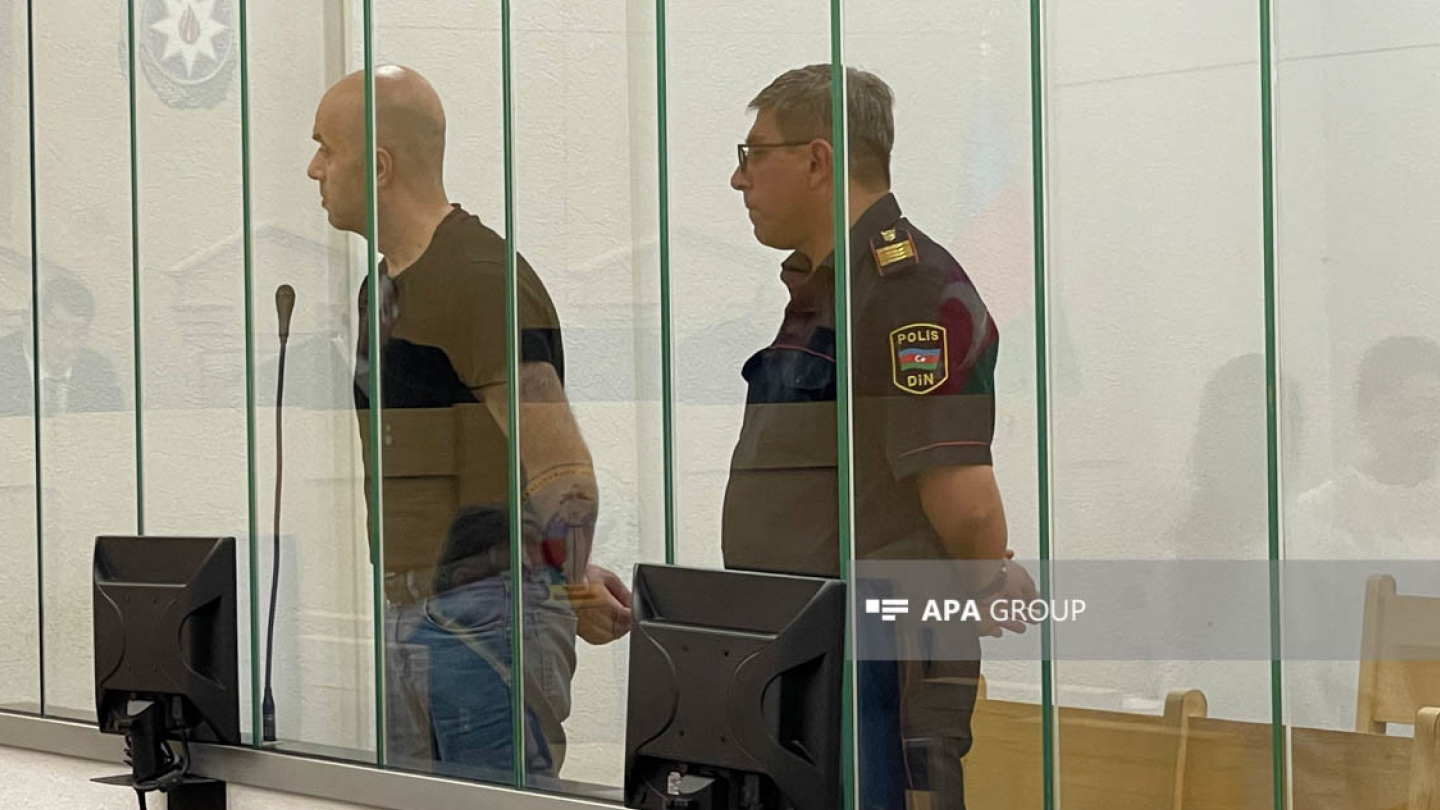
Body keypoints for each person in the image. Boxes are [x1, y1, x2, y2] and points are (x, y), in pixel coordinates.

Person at [723, 64, 1037, 809]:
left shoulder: (909, 291)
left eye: (753, 154)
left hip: (877, 660)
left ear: (817, 160)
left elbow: (965, 502)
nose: (739, 179)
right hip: (808, 651)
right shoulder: (828, 288)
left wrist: (983, 584)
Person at [306, 65, 632, 780]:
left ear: (380, 166)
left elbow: (562, 470)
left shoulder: (479, 279)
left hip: (483, 625)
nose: (314, 169)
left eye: (327, 148)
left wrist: (566, 586)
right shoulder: (383, 289)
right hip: (420, 610)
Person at [0, 271, 122, 417]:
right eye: (54, 327)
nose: (66, 344)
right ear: (28, 321)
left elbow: (114, 427)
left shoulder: (98, 371)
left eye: (78, 332)